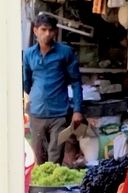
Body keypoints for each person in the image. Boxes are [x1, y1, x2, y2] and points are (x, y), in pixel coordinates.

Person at [22, 13, 83, 166]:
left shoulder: (65, 53)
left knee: (55, 157)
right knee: (38, 157)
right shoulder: (29, 54)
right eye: (43, 29)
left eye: (51, 30)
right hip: (36, 114)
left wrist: (77, 110)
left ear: (55, 31)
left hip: (59, 114)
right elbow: (25, 82)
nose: (47, 34)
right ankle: (40, 188)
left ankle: (51, 189)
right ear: (35, 31)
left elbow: (76, 82)